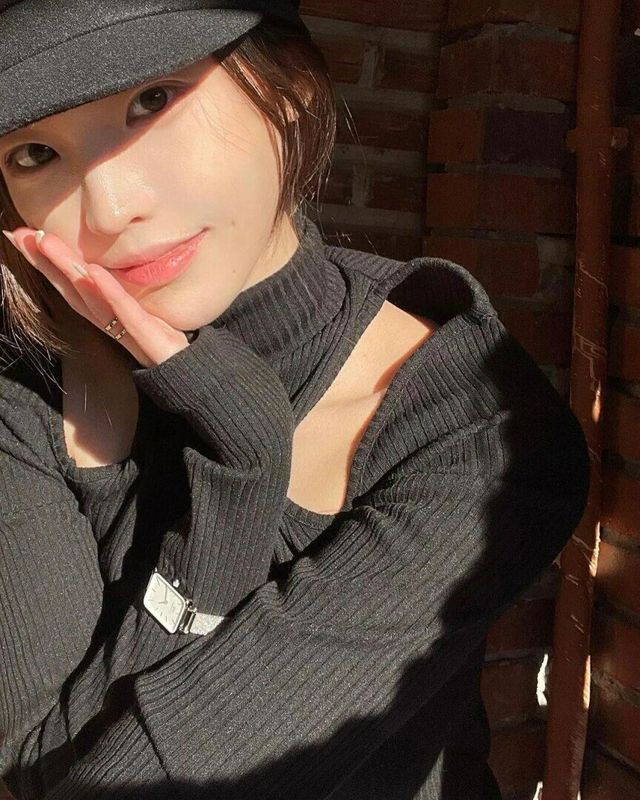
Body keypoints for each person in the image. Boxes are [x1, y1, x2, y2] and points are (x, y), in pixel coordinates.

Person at [0, 2, 590, 799]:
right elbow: (21, 770)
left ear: (288, 91)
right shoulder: (25, 384)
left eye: (151, 101)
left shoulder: (474, 429)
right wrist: (239, 477)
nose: (108, 209)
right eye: (35, 152)